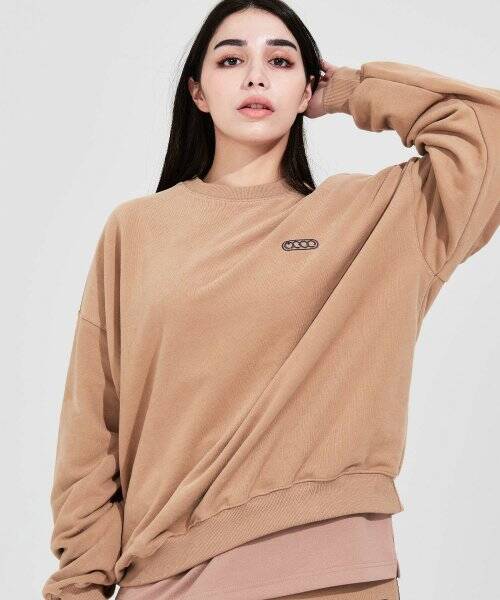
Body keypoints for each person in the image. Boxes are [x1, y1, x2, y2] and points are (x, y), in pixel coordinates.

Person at [42, 1, 500, 599]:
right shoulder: (137, 230)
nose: (256, 76)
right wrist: (79, 583)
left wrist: (349, 91)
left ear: (307, 87)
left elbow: (488, 132)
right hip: (168, 574)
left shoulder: (376, 219)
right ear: (198, 92)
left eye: (280, 62)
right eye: (231, 60)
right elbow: (92, 428)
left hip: (336, 575)